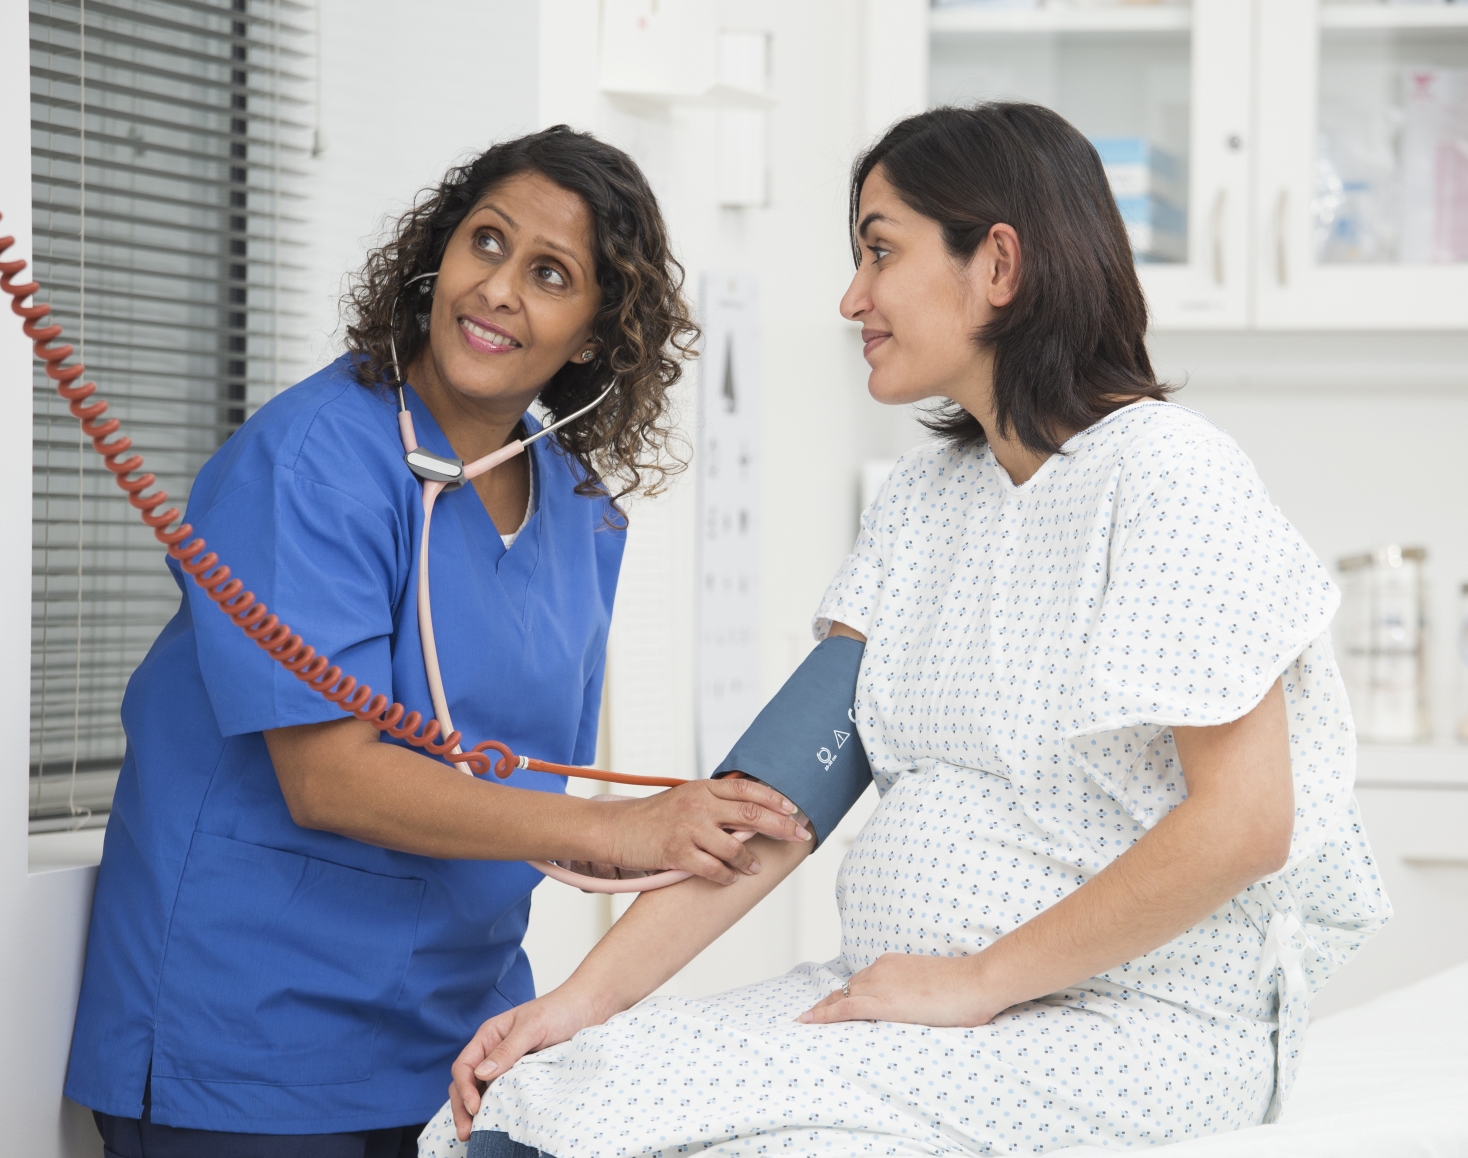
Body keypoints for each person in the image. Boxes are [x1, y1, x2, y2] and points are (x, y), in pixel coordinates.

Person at [422, 104, 1392, 1158]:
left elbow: (1244, 824)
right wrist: (578, 1003)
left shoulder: (1166, 474)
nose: (853, 298)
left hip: (1132, 1023)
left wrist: (979, 982)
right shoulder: (926, 500)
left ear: (999, 265)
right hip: (915, 1005)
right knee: (539, 1098)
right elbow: (774, 804)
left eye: (880, 252)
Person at [63, 126, 810, 1157]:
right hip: (247, 1031)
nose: (498, 288)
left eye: (550, 274)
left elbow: (520, 777)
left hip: (459, 1030)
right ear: (436, 258)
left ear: (593, 338)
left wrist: (670, 838)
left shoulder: (580, 512)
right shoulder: (310, 461)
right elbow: (329, 779)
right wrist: (617, 830)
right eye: (486, 242)